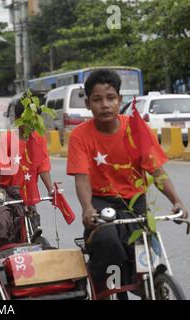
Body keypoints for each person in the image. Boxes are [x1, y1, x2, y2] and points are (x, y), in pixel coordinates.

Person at [66, 69, 188, 295]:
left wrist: (177, 201)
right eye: (97, 99)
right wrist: (87, 208)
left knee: (146, 258)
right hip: (101, 204)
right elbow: (82, 178)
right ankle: (106, 288)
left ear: (119, 100)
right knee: (108, 243)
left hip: (136, 203)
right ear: (88, 103)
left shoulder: (136, 129)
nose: (105, 105)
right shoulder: (80, 136)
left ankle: (150, 286)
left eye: (111, 98)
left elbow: (157, 172)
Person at [0, 98, 53, 249]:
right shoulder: (7, 138)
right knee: (1, 223)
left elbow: (43, 168)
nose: (31, 124)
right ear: (18, 118)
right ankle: (0, 253)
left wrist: (51, 190)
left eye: (35, 119)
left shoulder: (39, 140)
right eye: (27, 119)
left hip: (28, 194)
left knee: (33, 227)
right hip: (6, 193)